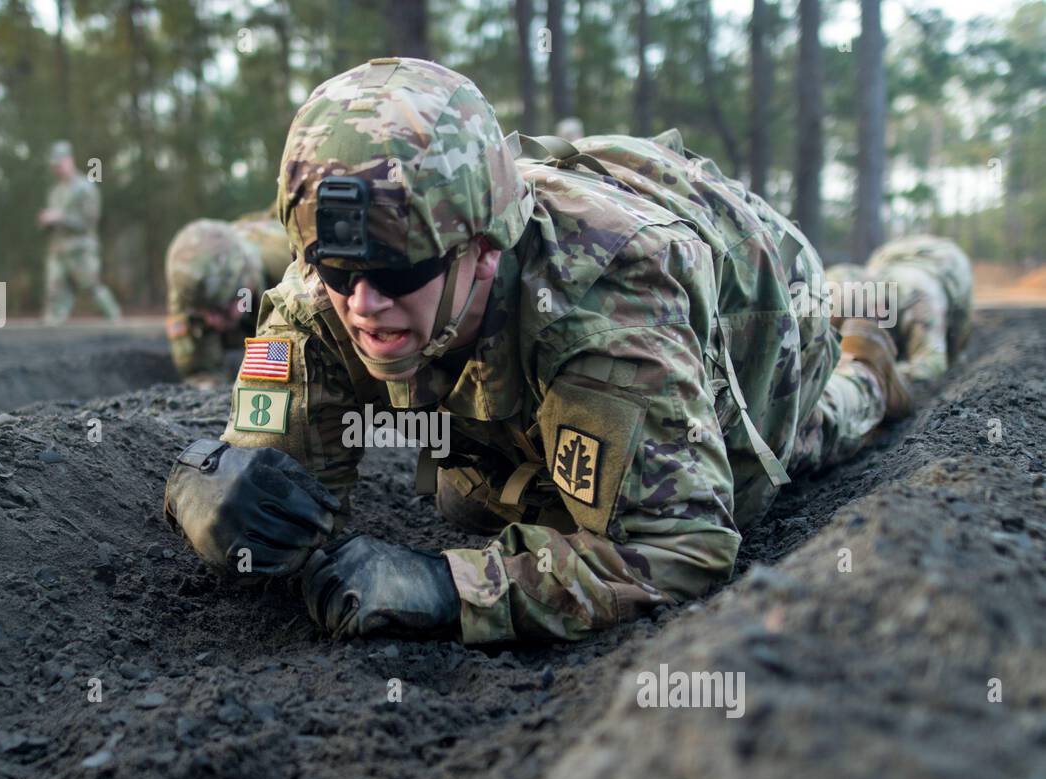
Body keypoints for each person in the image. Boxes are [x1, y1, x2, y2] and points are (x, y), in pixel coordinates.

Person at [163, 58, 918, 644]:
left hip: (759, 317)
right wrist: (209, 489)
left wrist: (446, 589)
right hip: (521, 352)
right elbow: (264, 480)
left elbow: (681, 547)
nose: (364, 305)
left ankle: (868, 376)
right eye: (336, 272)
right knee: (475, 499)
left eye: (398, 276)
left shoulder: (604, 309)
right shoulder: (320, 296)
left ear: (483, 252)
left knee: (767, 466)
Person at [827, 236, 973, 385]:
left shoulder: (920, 302)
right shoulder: (846, 288)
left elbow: (932, 363)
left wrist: (877, 373)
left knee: (954, 355)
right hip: (888, 256)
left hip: (945, 260)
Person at [164, 215, 292, 380]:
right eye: (203, 312)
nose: (213, 321)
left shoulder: (289, 269)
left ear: (248, 284)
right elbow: (197, 368)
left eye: (222, 310)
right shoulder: (190, 285)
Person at [39, 141, 121, 325]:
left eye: (59, 164)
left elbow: (89, 222)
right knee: (54, 293)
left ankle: (117, 322)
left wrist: (61, 217)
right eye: (54, 166)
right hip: (59, 250)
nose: (57, 169)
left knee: (92, 287)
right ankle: (51, 331)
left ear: (69, 160)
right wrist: (47, 221)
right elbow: (56, 221)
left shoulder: (86, 187)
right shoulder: (55, 191)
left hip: (81, 251)